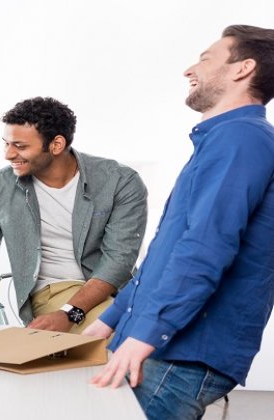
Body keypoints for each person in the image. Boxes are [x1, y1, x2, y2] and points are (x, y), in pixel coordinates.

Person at [85, 25, 274, 419]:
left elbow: (205, 248)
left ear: (243, 69)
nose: (191, 69)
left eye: (206, 59)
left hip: (178, 354)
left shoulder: (241, 140)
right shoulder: (224, 139)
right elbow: (167, 255)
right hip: (162, 347)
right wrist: (109, 322)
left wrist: (144, 336)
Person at [0, 97, 148, 334]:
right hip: (54, 290)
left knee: (168, 338)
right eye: (6, 143)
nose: (8, 154)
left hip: (121, 289)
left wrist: (71, 313)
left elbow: (120, 259)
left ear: (56, 144)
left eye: (20, 146)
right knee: (124, 338)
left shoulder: (120, 181)